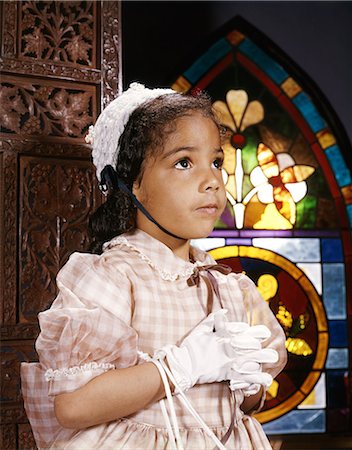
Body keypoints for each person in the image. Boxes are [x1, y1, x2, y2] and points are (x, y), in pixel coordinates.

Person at [21, 82, 287, 450]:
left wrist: (248, 382)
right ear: (132, 184)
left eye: (216, 162)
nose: (211, 181)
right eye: (183, 162)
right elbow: (73, 405)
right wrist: (181, 366)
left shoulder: (230, 286)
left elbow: (247, 406)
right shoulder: (114, 276)